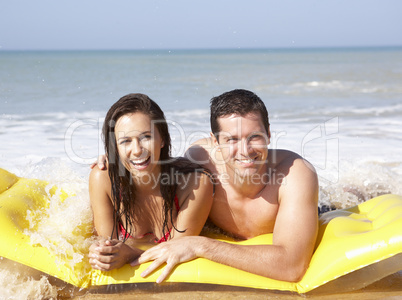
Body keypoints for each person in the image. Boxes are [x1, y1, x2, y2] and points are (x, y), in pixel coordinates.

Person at [94, 89, 319, 283]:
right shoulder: (201, 159)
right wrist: (117, 156)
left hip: (310, 213)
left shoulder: (295, 175)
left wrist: (201, 246)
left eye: (254, 137)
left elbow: (292, 267)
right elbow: (156, 162)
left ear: (269, 134)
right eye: (231, 139)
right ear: (215, 142)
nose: (245, 150)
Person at [88, 93, 214, 273]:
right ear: (114, 147)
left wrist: (129, 253)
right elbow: (107, 243)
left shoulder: (194, 184)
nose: (137, 150)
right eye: (125, 141)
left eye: (146, 137)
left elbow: (177, 251)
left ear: (162, 139)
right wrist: (101, 252)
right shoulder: (104, 178)